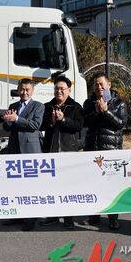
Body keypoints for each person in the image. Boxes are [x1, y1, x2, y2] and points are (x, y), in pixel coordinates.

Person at [38, 75, 84, 230]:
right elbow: (41, 126)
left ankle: (69, 218)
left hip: (68, 151)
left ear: (69, 90)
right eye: (56, 88)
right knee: (51, 186)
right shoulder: (47, 106)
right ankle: (52, 216)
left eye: (62, 89)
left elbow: (78, 126)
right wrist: (51, 122)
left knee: (68, 186)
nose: (59, 91)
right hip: (50, 150)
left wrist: (63, 119)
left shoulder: (75, 107)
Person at [82, 71, 127, 230]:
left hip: (111, 150)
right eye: (96, 84)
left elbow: (121, 123)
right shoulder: (89, 102)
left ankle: (113, 218)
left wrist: (106, 111)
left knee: (111, 186)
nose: (99, 87)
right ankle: (94, 216)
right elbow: (85, 122)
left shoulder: (119, 102)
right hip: (92, 149)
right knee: (93, 184)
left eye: (101, 84)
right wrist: (97, 111)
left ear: (109, 85)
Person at [2, 78, 44, 231]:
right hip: (14, 149)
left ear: (32, 91)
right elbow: (7, 127)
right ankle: (16, 215)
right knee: (15, 185)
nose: (24, 92)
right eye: (22, 89)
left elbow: (35, 125)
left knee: (31, 187)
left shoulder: (38, 106)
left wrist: (17, 119)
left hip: (30, 151)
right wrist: (7, 120)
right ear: (18, 90)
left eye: (27, 89)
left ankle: (31, 218)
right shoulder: (13, 106)